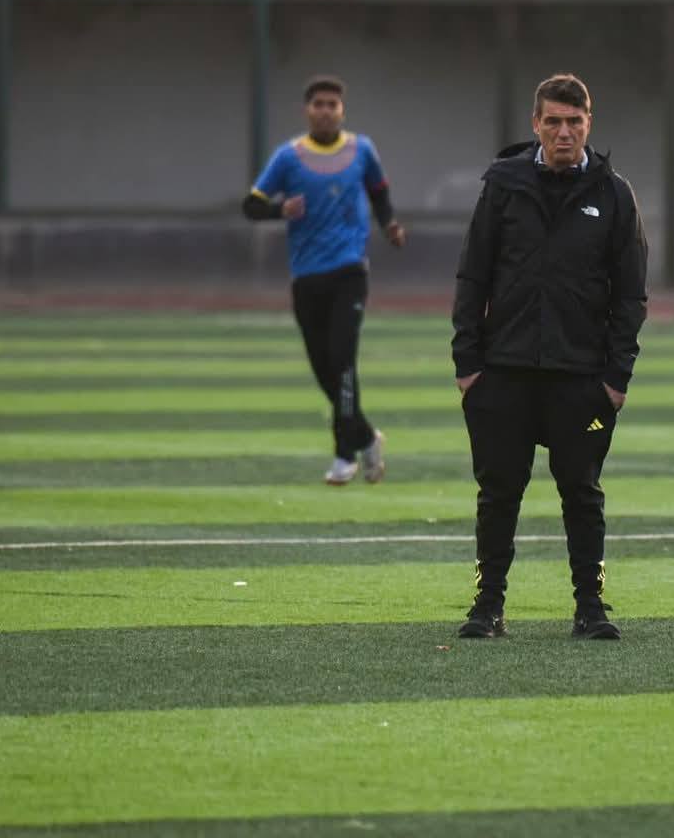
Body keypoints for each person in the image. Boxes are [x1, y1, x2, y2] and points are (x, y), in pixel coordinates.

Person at [451, 73, 648, 641]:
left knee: (582, 492)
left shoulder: (614, 194)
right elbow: (472, 275)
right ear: (536, 124)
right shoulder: (503, 187)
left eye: (575, 121)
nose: (565, 132)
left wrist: (616, 377)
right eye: (554, 121)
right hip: (504, 374)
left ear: (590, 123)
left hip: (581, 379)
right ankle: (487, 607)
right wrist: (469, 366)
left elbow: (630, 292)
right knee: (499, 492)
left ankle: (591, 608)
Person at [243, 75, 406, 485]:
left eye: (333, 104)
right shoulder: (289, 157)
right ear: (307, 110)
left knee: (343, 360)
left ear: (342, 110)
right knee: (324, 370)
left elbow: (379, 193)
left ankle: (344, 454)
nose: (326, 110)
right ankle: (368, 438)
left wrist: (389, 224)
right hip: (306, 277)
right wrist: (281, 210)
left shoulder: (361, 150)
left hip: (350, 272)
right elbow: (251, 205)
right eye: (318, 104)